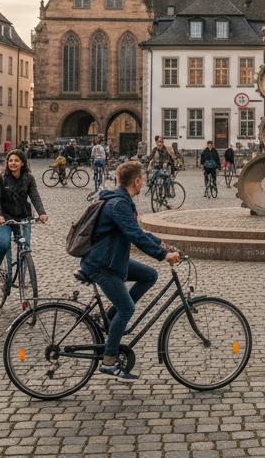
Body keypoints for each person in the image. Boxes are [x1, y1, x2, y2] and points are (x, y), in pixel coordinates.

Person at [80, 160, 183, 381]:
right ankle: (109, 361)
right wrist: (163, 256)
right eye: (142, 179)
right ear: (136, 180)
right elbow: (134, 235)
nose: (143, 183)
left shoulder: (122, 201)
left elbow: (137, 230)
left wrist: (161, 243)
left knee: (149, 275)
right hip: (102, 265)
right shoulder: (119, 204)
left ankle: (110, 320)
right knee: (126, 308)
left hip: (112, 259)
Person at [0, 149, 48, 282]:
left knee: (25, 247)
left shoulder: (29, 178)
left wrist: (42, 212)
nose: (13, 163)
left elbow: (34, 196)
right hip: (5, 218)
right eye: (10, 160)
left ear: (22, 163)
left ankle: (22, 277)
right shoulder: (1, 177)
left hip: (23, 216)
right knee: (4, 243)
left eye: (16, 160)